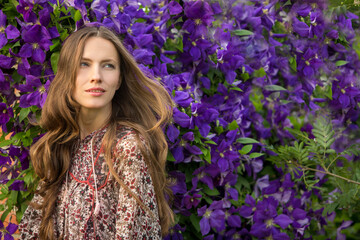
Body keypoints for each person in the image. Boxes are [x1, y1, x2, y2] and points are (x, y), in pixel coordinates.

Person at [19, 25, 174, 239]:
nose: (96, 76)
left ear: (119, 79)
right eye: (84, 64)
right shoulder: (60, 144)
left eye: (108, 66)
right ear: (68, 74)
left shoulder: (127, 147)